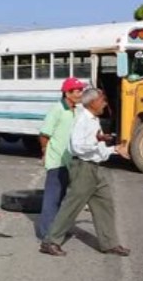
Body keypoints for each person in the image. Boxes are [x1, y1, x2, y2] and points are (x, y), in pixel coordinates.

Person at [40, 89, 131, 257]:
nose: (105, 103)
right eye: (102, 99)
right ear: (92, 103)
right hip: (83, 168)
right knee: (72, 206)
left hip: (95, 168)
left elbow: (98, 149)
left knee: (105, 204)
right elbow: (77, 146)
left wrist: (114, 149)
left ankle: (109, 243)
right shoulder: (82, 120)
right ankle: (51, 241)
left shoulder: (94, 120)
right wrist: (97, 141)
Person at [36, 77, 85, 239]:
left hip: (71, 161)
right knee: (52, 199)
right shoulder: (57, 110)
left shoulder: (77, 110)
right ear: (67, 93)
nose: (80, 94)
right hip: (56, 161)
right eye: (77, 91)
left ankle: (59, 227)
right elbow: (44, 134)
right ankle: (47, 234)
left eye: (81, 90)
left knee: (65, 198)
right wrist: (45, 151)